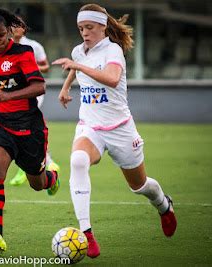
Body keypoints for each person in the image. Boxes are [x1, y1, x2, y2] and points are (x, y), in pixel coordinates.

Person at [52, 3, 177, 259]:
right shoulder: (79, 51)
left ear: (103, 26)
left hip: (120, 129)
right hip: (90, 127)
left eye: (89, 27)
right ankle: (87, 233)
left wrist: (76, 67)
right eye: (80, 28)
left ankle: (164, 206)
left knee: (140, 186)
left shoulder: (113, 50)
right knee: (77, 161)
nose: (84, 33)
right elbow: (77, 66)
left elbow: (110, 78)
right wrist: (66, 87)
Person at [0, 6, 60, 253]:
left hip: (29, 126)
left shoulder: (23, 52)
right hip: (0, 123)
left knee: (37, 183)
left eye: (1, 35)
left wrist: (8, 95)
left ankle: (51, 176)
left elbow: (39, 87)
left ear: (8, 32)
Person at [9, 9, 60, 186]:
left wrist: (28, 65)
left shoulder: (33, 46)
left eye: (19, 25)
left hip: (32, 92)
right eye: (12, 24)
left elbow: (46, 67)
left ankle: (32, 167)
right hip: (13, 93)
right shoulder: (4, 46)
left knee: (26, 126)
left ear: (24, 28)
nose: (15, 28)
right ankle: (45, 163)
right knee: (22, 128)